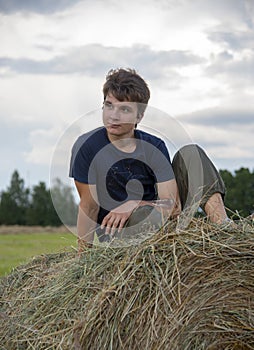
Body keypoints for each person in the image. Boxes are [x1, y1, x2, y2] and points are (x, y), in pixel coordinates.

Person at [70, 68, 231, 254]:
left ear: (139, 116)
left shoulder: (154, 146)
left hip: (160, 220)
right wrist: (83, 265)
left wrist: (134, 204)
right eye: (109, 105)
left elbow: (173, 207)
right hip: (119, 232)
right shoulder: (87, 146)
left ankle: (223, 230)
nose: (113, 115)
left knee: (191, 154)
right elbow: (89, 207)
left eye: (124, 109)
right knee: (144, 215)